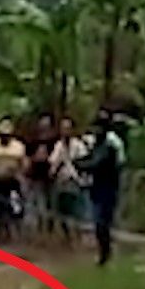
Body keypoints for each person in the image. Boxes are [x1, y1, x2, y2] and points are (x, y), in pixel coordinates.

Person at [85, 110, 125, 266]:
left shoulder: (111, 144)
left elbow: (98, 164)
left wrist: (83, 165)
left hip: (108, 188)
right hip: (97, 187)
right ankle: (103, 253)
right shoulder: (98, 143)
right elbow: (90, 159)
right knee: (98, 223)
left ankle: (105, 253)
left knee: (103, 222)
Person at [50, 115, 90, 243]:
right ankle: (67, 236)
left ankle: (78, 235)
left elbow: (84, 162)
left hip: (75, 181)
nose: (65, 131)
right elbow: (53, 163)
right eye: (63, 128)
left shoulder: (78, 145)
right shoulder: (58, 146)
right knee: (62, 211)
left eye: (68, 128)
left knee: (77, 210)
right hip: (62, 181)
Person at [27, 114, 58, 232]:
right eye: (42, 123)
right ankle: (39, 226)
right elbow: (29, 157)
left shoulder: (54, 141)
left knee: (50, 202)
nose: (44, 125)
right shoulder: (34, 141)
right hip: (36, 175)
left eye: (46, 123)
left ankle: (50, 226)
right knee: (37, 202)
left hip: (50, 176)